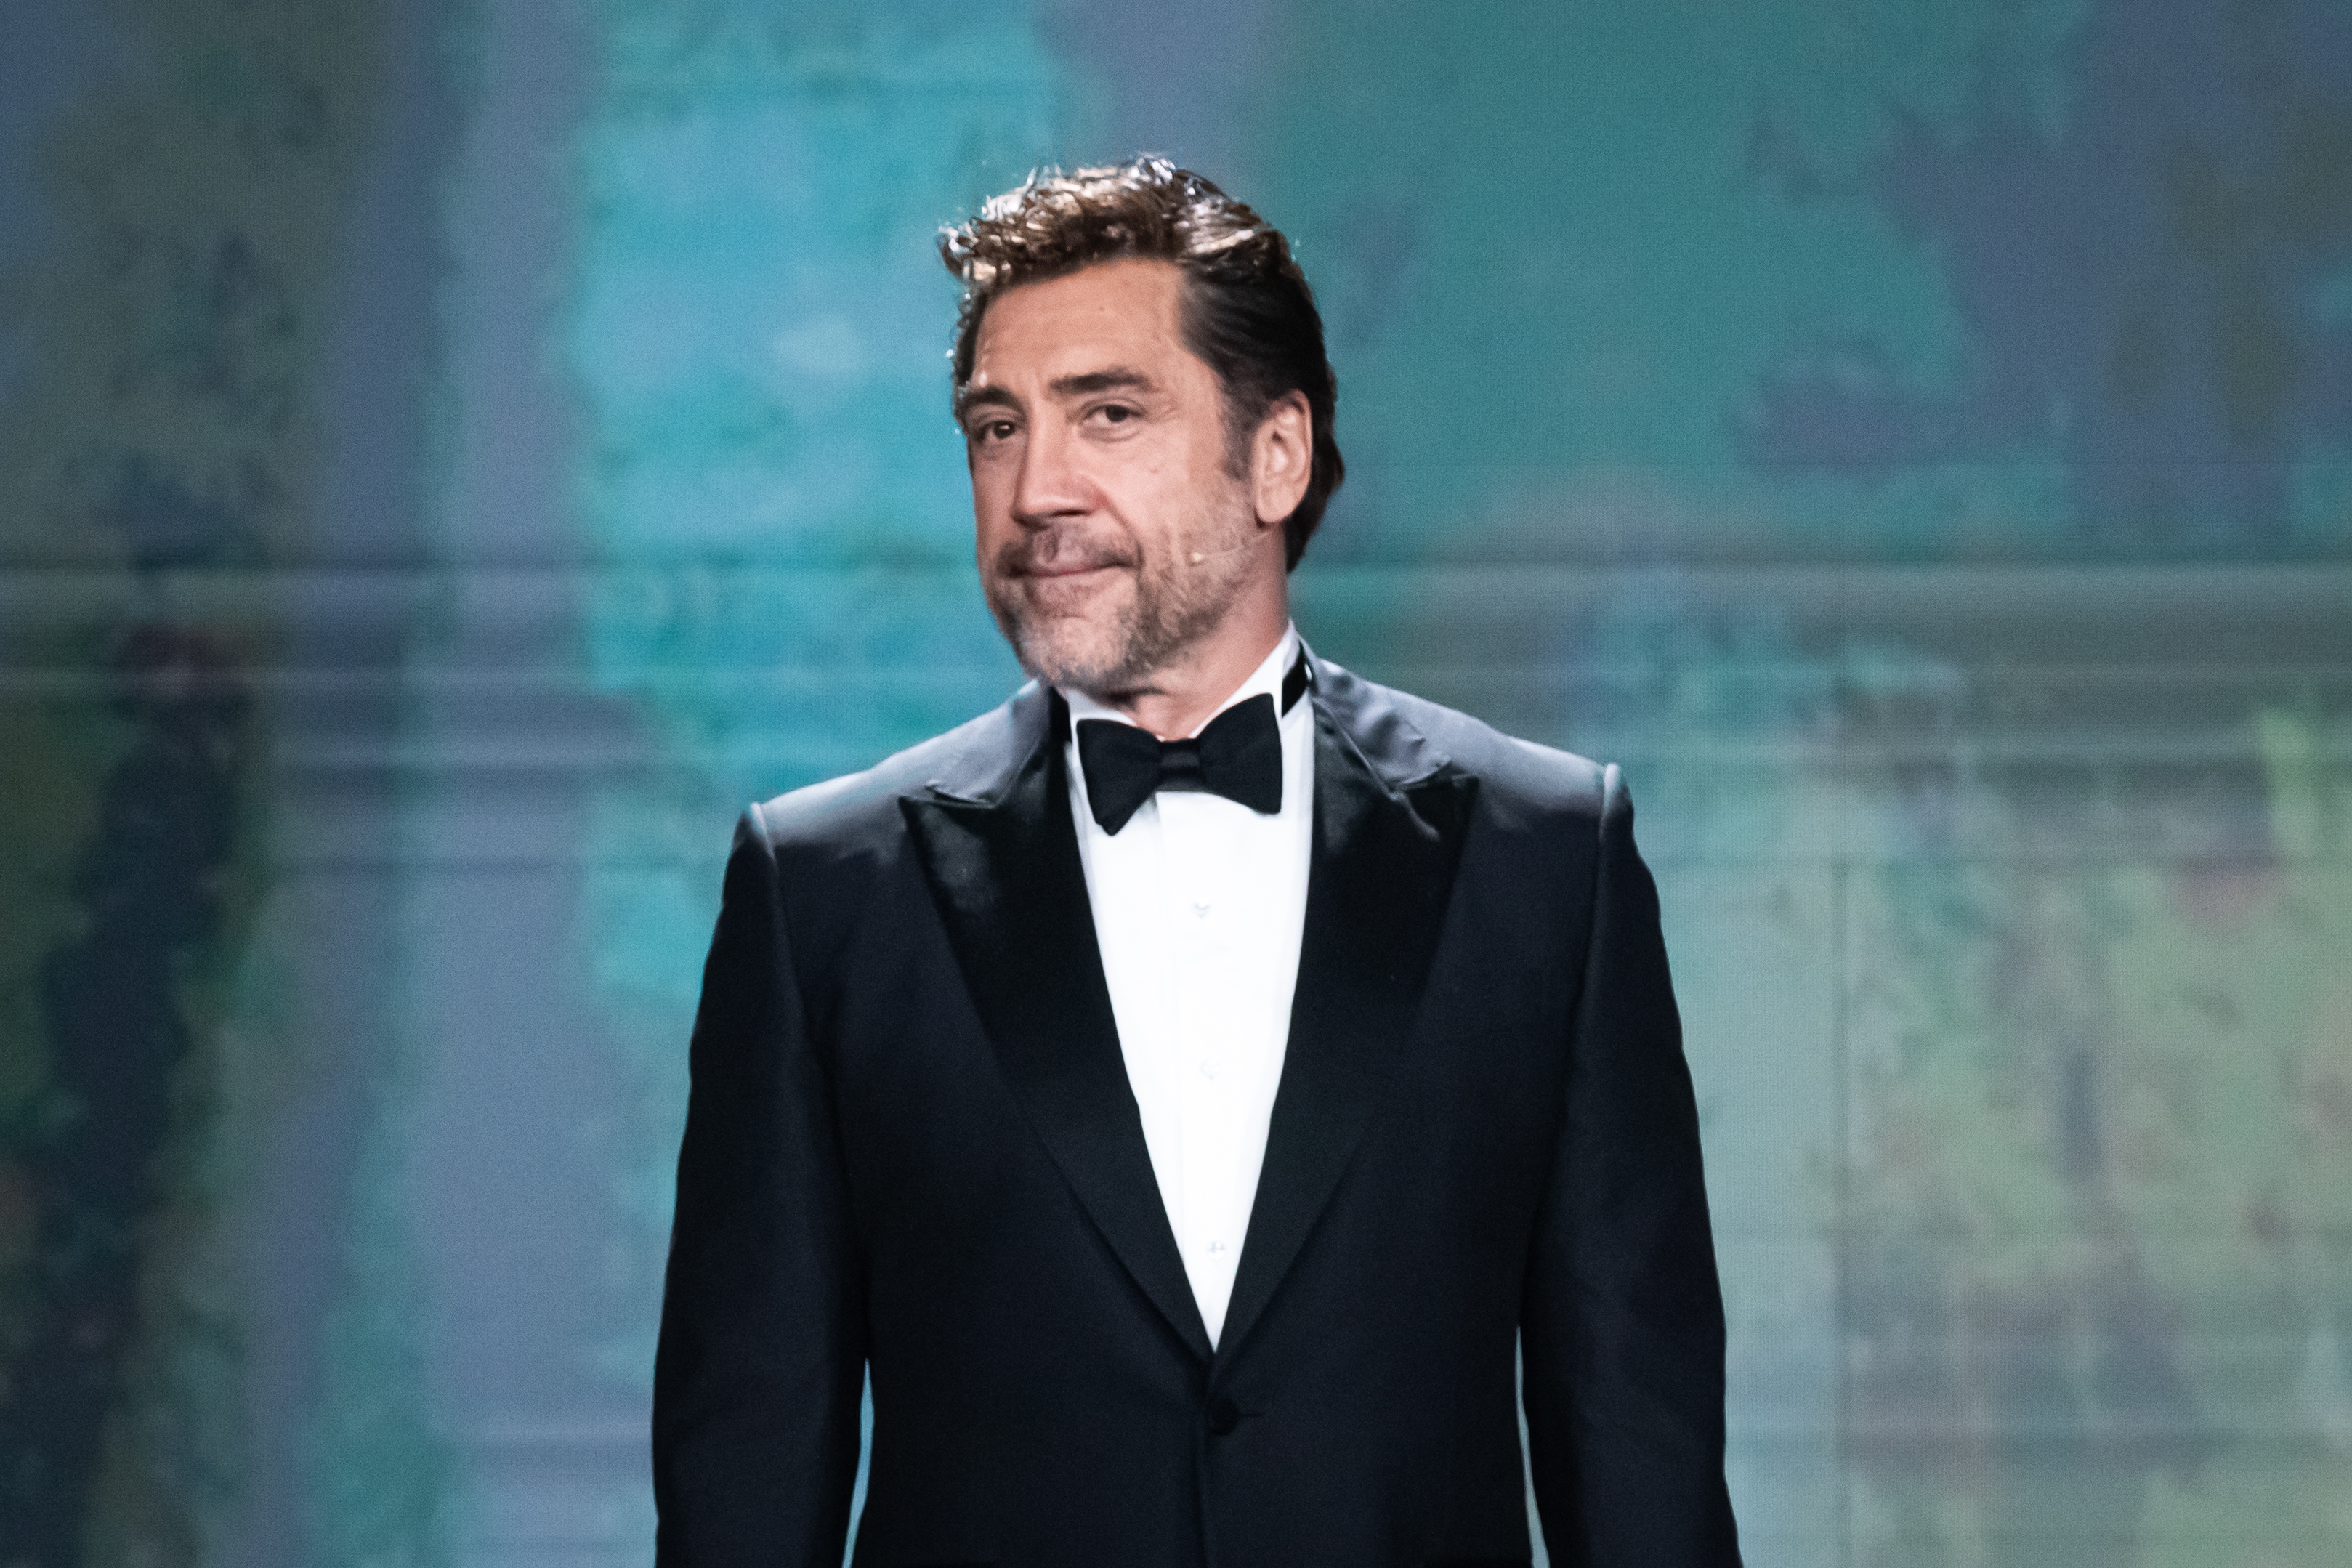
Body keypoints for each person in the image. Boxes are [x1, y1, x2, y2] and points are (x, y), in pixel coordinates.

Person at [652, 158, 1741, 1568]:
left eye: (1107, 413)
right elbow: (749, 1456)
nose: (1036, 485)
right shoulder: (823, 891)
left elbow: (1634, 1434)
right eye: (996, 427)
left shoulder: (1542, 859)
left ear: (1274, 456)